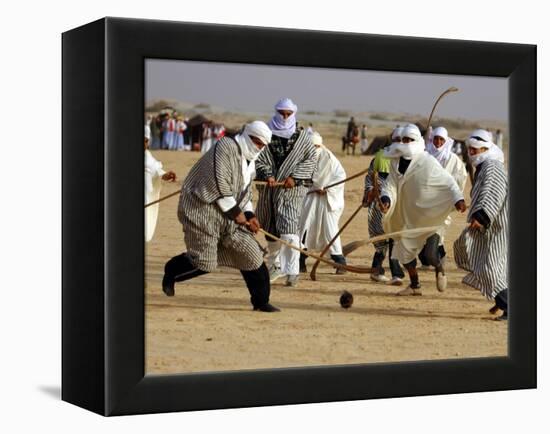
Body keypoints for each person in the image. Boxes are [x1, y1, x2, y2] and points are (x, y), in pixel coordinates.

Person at [162, 121, 280, 313]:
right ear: (249, 136)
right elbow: (219, 183)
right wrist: (237, 214)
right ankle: (171, 271)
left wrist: (249, 214)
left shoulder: (251, 160)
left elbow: (245, 193)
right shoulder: (225, 146)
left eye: (264, 145)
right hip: (202, 210)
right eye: (258, 143)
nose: (261, 148)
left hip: (230, 215)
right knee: (204, 263)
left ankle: (260, 302)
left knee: (252, 255)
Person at [380, 124, 466, 295]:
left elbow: (448, 182)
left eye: (410, 140)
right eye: (403, 140)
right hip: (406, 217)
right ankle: (414, 285)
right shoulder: (395, 162)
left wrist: (458, 199)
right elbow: (389, 184)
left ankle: (439, 268)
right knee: (405, 254)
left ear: (417, 141)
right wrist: (386, 199)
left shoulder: (427, 161)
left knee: (430, 255)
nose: (406, 143)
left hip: (429, 217)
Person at [255, 98, 317, 287]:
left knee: (290, 231)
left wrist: (295, 177)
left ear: (294, 114)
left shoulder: (302, 137)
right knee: (270, 230)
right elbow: (258, 157)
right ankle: (275, 267)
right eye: (282, 112)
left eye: (288, 113)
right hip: (269, 190)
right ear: (276, 112)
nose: (284, 116)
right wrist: (267, 175)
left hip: (292, 191)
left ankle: (292, 271)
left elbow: (310, 159)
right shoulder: (266, 132)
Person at [454, 129, 508, 320]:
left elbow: (492, 194)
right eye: (470, 149)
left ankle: (509, 306)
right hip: (490, 225)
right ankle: (503, 302)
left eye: (475, 149)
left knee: (489, 268)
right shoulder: (484, 166)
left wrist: (482, 216)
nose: (472, 152)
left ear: (486, 148)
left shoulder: (492, 166)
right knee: (486, 262)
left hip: (497, 225)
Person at [298, 132, 347, 274]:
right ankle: (300, 261)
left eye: (317, 146)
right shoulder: (303, 158)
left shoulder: (330, 158)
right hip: (310, 197)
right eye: (311, 146)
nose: (314, 149)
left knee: (330, 230)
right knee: (304, 228)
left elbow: (341, 176)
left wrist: (328, 189)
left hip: (327, 200)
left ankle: (340, 262)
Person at [419, 126, 468, 268]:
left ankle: (440, 257)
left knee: (438, 232)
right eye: (436, 139)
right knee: (421, 232)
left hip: (443, 203)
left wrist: (453, 196)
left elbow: (460, 178)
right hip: (424, 202)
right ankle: (425, 260)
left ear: (445, 141)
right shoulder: (425, 154)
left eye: (441, 139)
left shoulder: (453, 160)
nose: (438, 142)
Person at [363, 127, 405, 285]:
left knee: (396, 238)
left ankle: (385, 271)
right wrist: (371, 191)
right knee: (383, 237)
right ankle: (386, 272)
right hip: (381, 204)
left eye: (404, 140)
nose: (400, 143)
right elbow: (372, 177)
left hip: (401, 204)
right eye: (397, 140)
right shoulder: (381, 156)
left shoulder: (412, 159)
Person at [144, 127, 176, 242]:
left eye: (146, 141)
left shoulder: (148, 157)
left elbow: (157, 171)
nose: (145, 143)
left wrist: (166, 175)